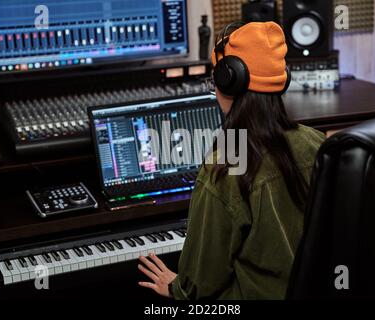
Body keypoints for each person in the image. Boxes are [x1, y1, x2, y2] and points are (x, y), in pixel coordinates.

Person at [137, 21, 325, 299]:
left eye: (215, 80)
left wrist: (177, 287)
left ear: (228, 80)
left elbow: (202, 283)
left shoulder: (225, 165)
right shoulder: (316, 141)